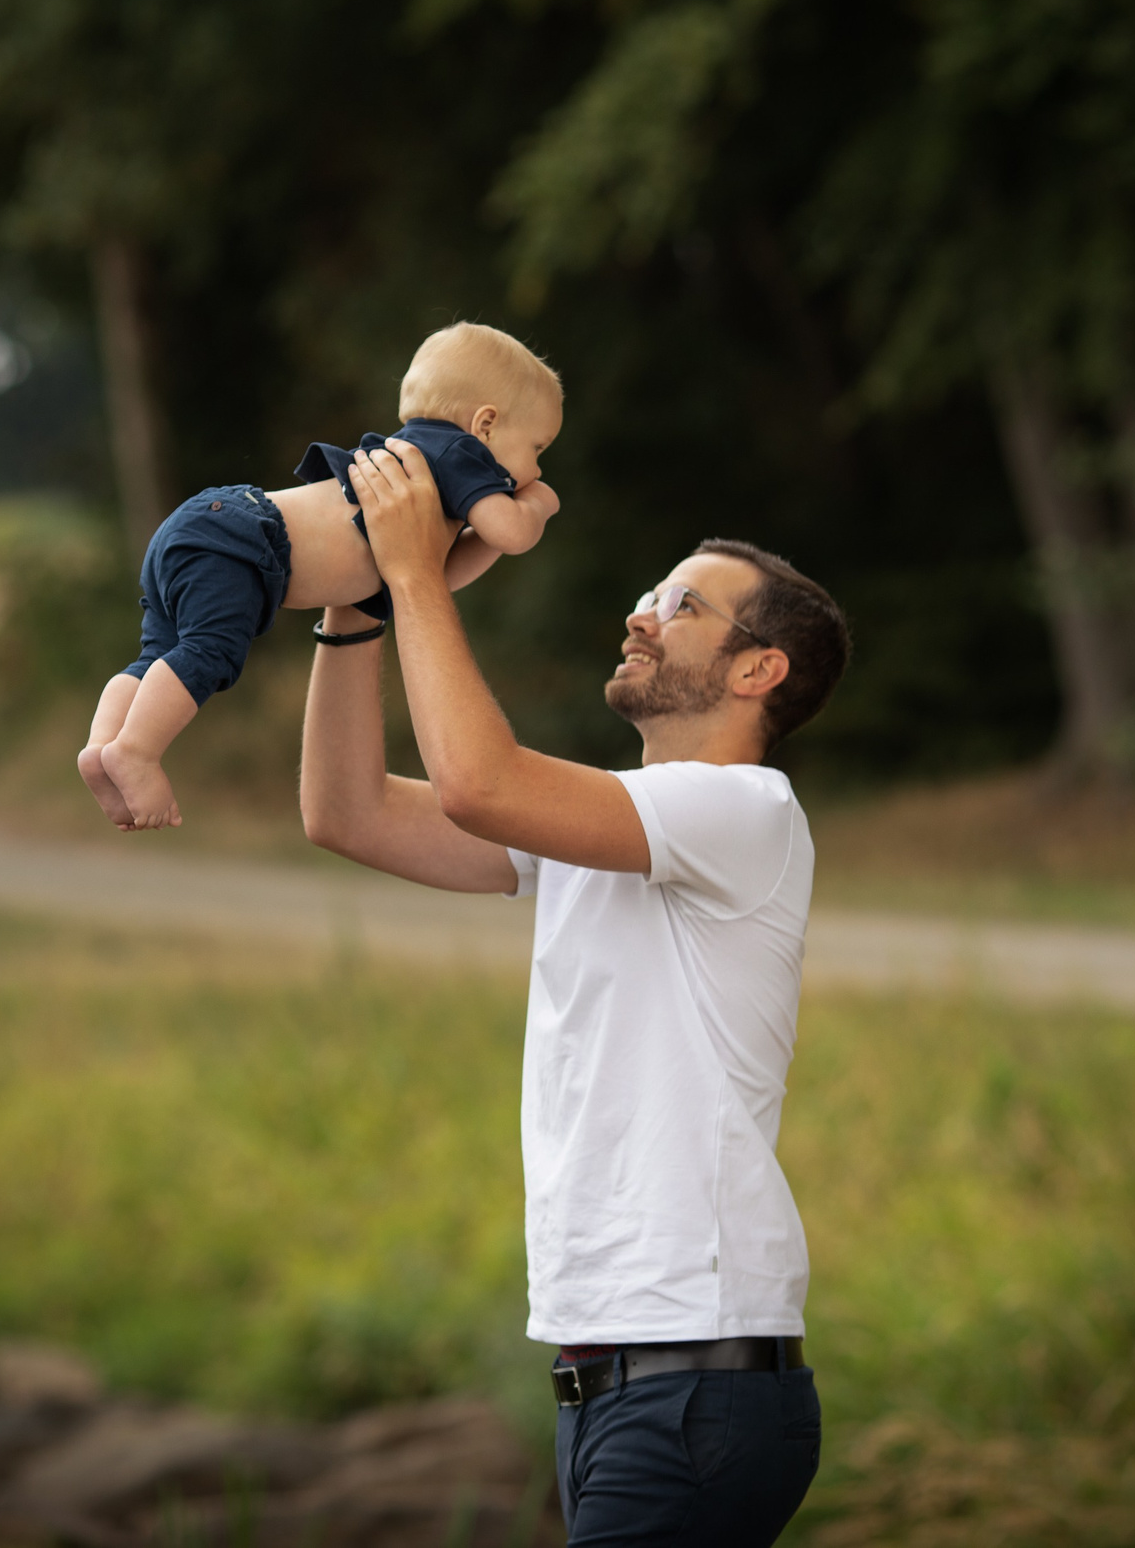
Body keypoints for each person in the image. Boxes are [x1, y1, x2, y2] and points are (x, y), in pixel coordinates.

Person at [299, 435, 852, 1547]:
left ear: (758, 671)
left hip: (693, 1380)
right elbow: (344, 811)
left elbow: (476, 781)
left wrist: (413, 572)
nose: (641, 614)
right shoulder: (604, 835)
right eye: (649, 595)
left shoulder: (741, 813)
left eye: (684, 605)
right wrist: (353, 607)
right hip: (615, 1378)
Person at [80, 322, 564, 831]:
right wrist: (540, 502)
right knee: (210, 651)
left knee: (158, 655)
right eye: (537, 449)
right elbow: (511, 533)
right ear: (485, 424)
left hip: (212, 523)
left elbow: (434, 575)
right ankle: (136, 752)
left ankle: (103, 747)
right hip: (248, 543)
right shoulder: (456, 452)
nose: (533, 469)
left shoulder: (417, 477)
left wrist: (482, 528)